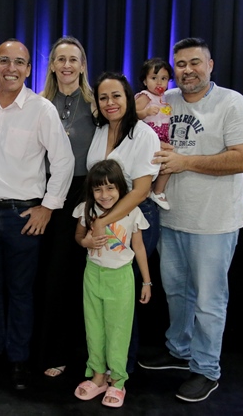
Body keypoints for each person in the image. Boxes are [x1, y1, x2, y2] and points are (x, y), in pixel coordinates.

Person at [138, 37, 243, 402]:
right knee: (176, 292)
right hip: (172, 218)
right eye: (181, 65)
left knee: (209, 300)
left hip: (214, 223)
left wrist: (186, 161)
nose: (187, 70)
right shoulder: (166, 99)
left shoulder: (232, 103)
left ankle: (207, 369)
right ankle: (179, 350)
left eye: (195, 62)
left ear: (210, 65)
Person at [0, 39, 74, 390]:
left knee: (22, 292)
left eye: (20, 62)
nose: (12, 68)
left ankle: (18, 361)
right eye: (4, 61)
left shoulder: (41, 109)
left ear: (29, 69)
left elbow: (64, 161)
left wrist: (48, 207)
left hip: (23, 217)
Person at [86, 72, 162, 374]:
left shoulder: (143, 134)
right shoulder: (100, 131)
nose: (110, 102)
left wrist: (104, 221)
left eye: (116, 95)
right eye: (103, 97)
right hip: (102, 221)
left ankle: (121, 372)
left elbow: (142, 189)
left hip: (134, 219)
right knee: (101, 299)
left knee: (122, 302)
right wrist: (97, 221)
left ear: (129, 98)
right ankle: (100, 366)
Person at [33, 36, 96, 378]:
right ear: (53, 65)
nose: (68, 65)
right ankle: (48, 349)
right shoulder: (37, 103)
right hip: (46, 195)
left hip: (85, 195)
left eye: (74, 59)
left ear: (83, 65)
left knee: (78, 277)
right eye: (61, 59)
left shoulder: (98, 105)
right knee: (49, 276)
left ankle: (84, 352)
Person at [72, 159, 152, 409]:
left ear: (121, 188)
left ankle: (117, 379)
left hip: (120, 278)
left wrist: (147, 282)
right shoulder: (87, 208)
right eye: (98, 189)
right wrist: (85, 243)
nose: (104, 195)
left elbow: (138, 247)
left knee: (118, 330)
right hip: (93, 275)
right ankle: (97, 375)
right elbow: (77, 235)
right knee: (94, 326)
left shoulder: (132, 212)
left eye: (110, 188)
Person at [135, 57, 174, 210]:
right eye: (154, 78)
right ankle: (156, 191)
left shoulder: (164, 98)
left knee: (168, 161)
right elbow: (132, 113)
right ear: (145, 81)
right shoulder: (146, 96)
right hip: (150, 136)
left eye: (164, 79)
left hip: (162, 135)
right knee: (166, 158)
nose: (159, 83)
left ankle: (155, 190)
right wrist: (145, 112)